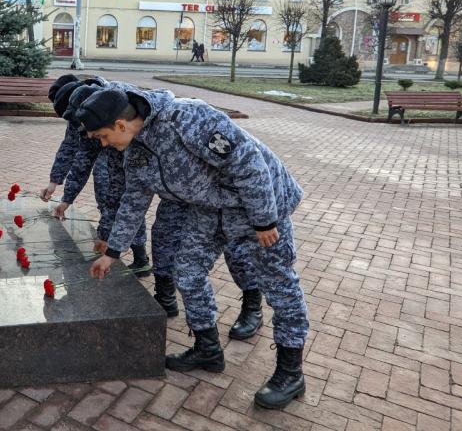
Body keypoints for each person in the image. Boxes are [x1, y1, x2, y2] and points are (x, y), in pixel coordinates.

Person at [76, 88, 308, 410]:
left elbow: (248, 162)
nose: (103, 144)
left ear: (119, 124)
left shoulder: (186, 118)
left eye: (101, 136)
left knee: (280, 286)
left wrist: (265, 220)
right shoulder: (136, 151)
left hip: (258, 205)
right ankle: (208, 349)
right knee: (186, 272)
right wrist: (112, 253)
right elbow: (133, 200)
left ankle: (290, 373)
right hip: (209, 208)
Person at [41, 76, 152, 278]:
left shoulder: (110, 107)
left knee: (122, 197)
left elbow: (121, 191)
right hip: (115, 147)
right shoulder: (84, 107)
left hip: (128, 149)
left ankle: (139, 255)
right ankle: (118, 245)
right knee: (111, 196)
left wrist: (105, 235)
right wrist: (64, 194)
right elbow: (78, 153)